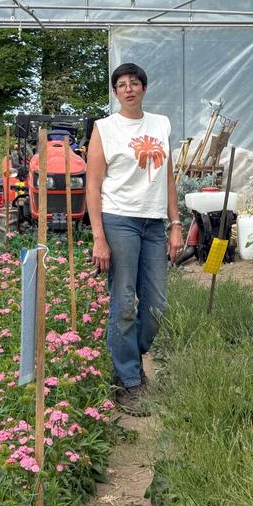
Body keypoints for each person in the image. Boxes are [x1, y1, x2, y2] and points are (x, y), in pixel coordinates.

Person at [86, 63, 183, 415]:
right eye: (122, 84)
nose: (129, 89)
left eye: (134, 83)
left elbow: (167, 178)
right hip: (119, 220)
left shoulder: (160, 124)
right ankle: (128, 380)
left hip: (154, 223)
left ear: (144, 88)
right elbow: (93, 185)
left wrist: (175, 223)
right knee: (124, 301)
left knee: (156, 306)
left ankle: (127, 355)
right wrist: (99, 237)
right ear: (115, 92)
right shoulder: (105, 128)